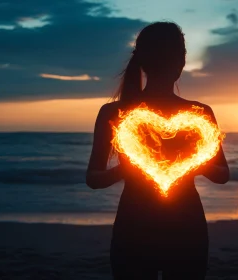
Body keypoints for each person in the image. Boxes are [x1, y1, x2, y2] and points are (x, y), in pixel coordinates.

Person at [86, 22, 229, 280]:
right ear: (181, 62)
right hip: (138, 226)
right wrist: (126, 169)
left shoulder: (199, 113)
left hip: (182, 226)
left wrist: (196, 163)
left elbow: (221, 173)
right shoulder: (115, 113)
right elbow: (93, 178)